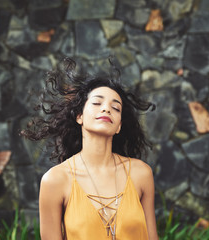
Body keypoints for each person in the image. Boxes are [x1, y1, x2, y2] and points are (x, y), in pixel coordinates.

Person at [21, 57, 159, 240]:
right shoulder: (55, 180)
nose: (106, 109)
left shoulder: (141, 173)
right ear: (79, 116)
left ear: (118, 126)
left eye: (115, 108)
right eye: (96, 103)